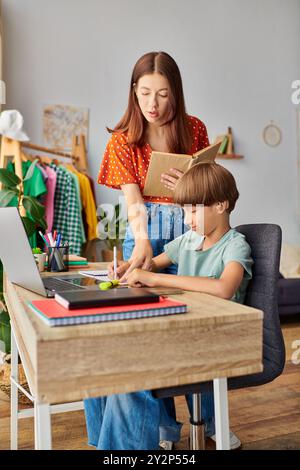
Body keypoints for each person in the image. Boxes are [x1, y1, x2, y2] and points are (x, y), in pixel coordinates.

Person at [85, 51, 210, 448]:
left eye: (162, 95)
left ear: (176, 94)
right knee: (138, 332)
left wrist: (185, 191)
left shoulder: (194, 129)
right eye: (144, 94)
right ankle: (155, 430)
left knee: (196, 326)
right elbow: (133, 200)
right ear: (133, 92)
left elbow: (208, 198)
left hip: (188, 231)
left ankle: (205, 422)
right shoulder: (123, 139)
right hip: (143, 232)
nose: (152, 105)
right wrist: (141, 239)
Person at [84, 162, 252, 450]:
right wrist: (127, 269)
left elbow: (224, 288)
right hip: (184, 331)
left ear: (222, 205)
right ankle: (106, 446)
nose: (187, 219)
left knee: (129, 371)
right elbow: (151, 264)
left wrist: (152, 278)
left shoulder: (235, 245)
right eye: (184, 210)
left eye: (194, 209)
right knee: (103, 357)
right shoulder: (189, 240)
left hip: (215, 340)